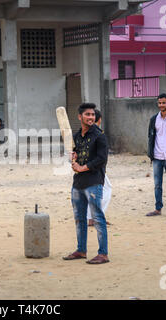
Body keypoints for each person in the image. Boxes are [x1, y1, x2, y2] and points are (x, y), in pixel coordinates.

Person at [63, 103, 109, 264]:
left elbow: (102, 159)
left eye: (92, 115)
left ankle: (103, 254)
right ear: (80, 117)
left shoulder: (100, 136)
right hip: (78, 183)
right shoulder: (76, 136)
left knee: (97, 217)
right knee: (79, 218)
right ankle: (81, 250)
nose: (91, 117)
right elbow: (75, 155)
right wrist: (73, 157)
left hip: (94, 182)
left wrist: (82, 167)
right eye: (87, 114)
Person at [86, 109, 112, 227]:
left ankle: (91, 218)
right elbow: (101, 156)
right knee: (106, 190)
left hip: (86, 168)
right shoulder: (98, 133)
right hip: (96, 168)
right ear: (99, 120)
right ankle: (96, 217)